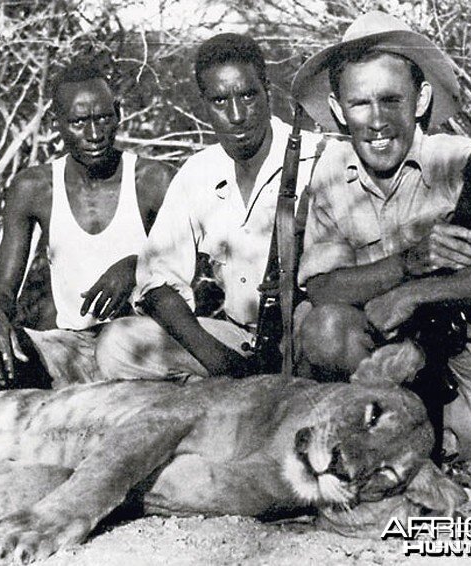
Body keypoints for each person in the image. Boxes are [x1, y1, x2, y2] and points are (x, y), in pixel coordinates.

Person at [291, 11, 471, 525]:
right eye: (360, 103)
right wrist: (408, 265)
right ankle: (385, 460)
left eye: (391, 99)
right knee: (323, 326)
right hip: (396, 384)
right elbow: (323, 285)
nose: (376, 119)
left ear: (418, 101)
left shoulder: (461, 160)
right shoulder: (330, 172)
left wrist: (423, 294)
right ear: (337, 109)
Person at [0, 59, 172, 391]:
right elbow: (4, 289)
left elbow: (194, 262)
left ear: (119, 113)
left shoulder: (153, 179)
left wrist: (136, 267)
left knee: (123, 342)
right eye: (79, 122)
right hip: (72, 350)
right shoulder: (34, 188)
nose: (95, 134)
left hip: (146, 345)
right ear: (55, 123)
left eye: (103, 118)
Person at [95, 33, 320, 380]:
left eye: (248, 95)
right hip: (239, 340)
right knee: (118, 345)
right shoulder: (198, 172)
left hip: (306, 330)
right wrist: (222, 363)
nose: (236, 115)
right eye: (219, 101)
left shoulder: (317, 157)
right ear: (204, 104)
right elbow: (156, 282)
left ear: (268, 92)